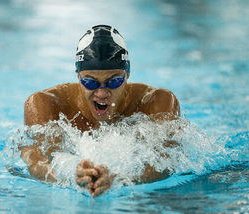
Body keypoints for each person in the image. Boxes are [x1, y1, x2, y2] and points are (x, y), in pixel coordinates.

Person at [19, 25, 180, 197]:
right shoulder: (45, 103)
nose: (102, 93)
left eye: (114, 81)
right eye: (90, 82)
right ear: (78, 76)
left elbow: (166, 163)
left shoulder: (157, 102)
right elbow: (36, 163)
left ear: (127, 75)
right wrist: (70, 175)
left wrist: (121, 178)